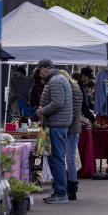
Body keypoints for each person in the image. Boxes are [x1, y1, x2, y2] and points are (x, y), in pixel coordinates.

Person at [37, 58, 72, 204]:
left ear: (45, 68)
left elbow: (57, 103)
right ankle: (59, 191)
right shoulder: (58, 79)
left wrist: (42, 111)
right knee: (56, 159)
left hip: (57, 125)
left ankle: (61, 193)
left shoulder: (55, 81)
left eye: (40, 70)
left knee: (57, 159)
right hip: (58, 124)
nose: (39, 73)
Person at [59, 70, 83, 201]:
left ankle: (71, 187)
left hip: (69, 128)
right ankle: (71, 186)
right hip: (73, 127)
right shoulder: (76, 88)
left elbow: (72, 112)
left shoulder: (71, 90)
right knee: (70, 158)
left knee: (68, 158)